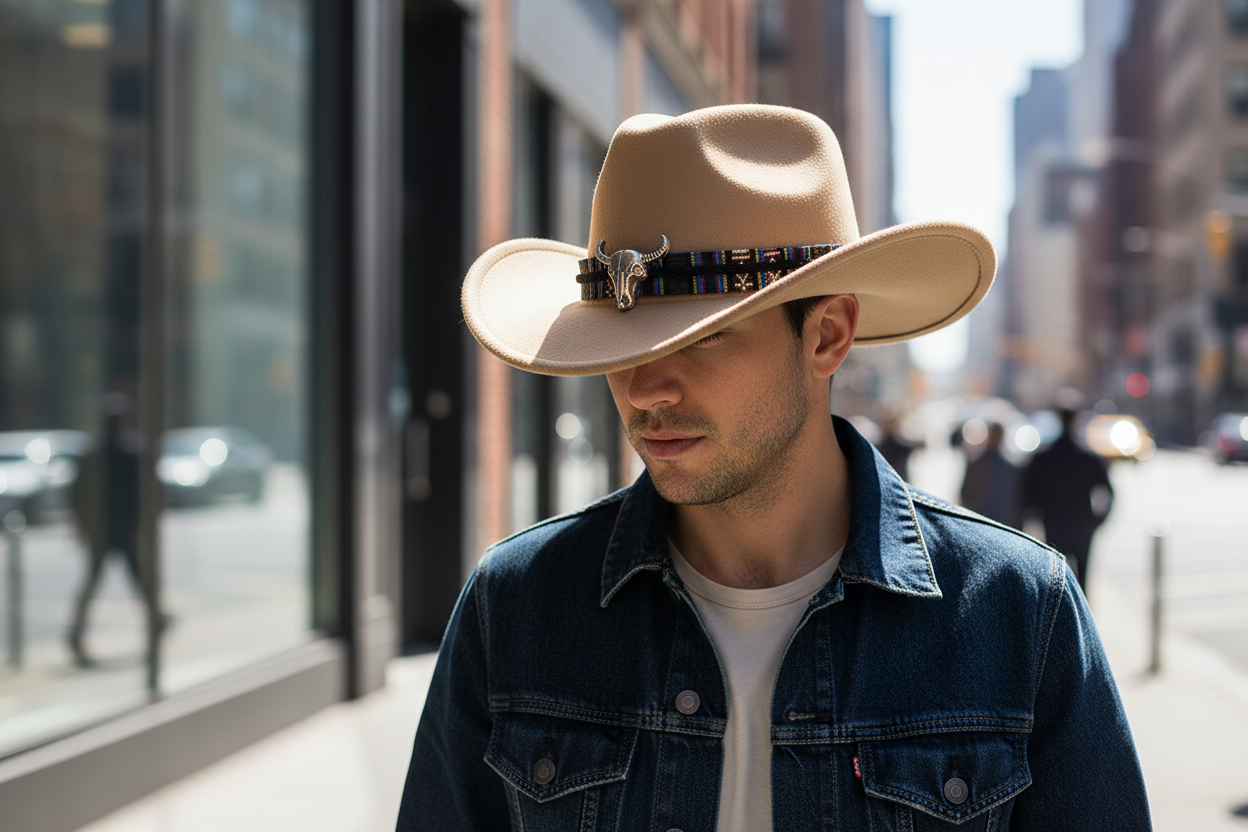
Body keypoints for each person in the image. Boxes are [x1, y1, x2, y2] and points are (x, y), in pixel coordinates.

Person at [398, 105, 1149, 830]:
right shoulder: (517, 607)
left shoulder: (1017, 615)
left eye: (702, 338)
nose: (643, 388)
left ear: (827, 334)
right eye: (619, 346)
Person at [1022, 407, 1114, 589]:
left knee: (1055, 585)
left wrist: (1032, 519)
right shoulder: (1088, 457)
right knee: (1082, 584)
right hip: (1082, 527)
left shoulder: (1043, 457)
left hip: (1053, 526)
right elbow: (1108, 492)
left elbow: (1027, 494)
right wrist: (1097, 521)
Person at [960, 421, 1021, 527]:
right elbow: (965, 492)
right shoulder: (977, 464)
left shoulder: (1008, 467)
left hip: (999, 519)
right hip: (980, 517)